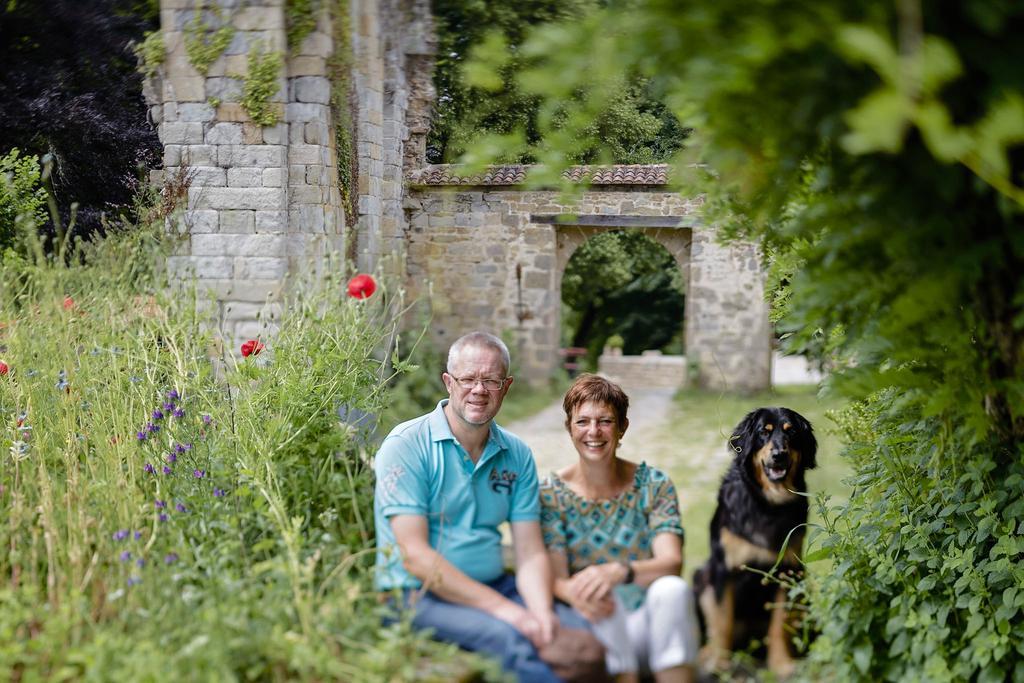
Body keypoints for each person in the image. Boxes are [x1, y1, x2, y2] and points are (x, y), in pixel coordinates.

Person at [373, 331, 594, 682]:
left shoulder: (516, 453)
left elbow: (529, 550)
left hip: (494, 585)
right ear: (448, 382)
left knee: (580, 636)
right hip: (416, 595)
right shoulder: (407, 445)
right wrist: (511, 614)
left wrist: (540, 611)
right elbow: (414, 556)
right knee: (510, 637)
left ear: (505, 387)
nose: (479, 390)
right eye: (468, 379)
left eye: (490, 380)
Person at [540, 374, 699, 683]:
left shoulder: (654, 484)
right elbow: (557, 578)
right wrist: (581, 591)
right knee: (598, 594)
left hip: (651, 623)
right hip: (598, 629)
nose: (594, 432)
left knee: (672, 589)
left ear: (623, 426)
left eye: (605, 421)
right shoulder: (551, 493)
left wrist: (619, 571)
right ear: (569, 428)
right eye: (582, 422)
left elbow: (672, 563)